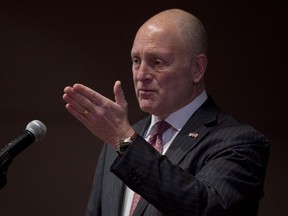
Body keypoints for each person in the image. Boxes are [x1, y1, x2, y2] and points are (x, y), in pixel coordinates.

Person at [63, 8, 269, 216]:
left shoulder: (238, 141)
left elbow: (206, 208)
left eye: (157, 62)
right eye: (136, 61)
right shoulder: (119, 141)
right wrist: (122, 138)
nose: (141, 74)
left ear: (197, 68)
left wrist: (122, 138)